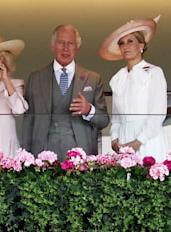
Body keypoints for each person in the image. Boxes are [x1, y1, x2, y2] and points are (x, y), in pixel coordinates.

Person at [22, 24, 109, 160]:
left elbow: (104, 120)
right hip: (43, 152)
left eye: (71, 43)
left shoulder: (92, 78)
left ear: (77, 48)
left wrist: (89, 110)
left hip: (81, 152)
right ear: (52, 46)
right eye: (61, 43)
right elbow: (28, 121)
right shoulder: (36, 78)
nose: (66, 48)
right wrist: (25, 156)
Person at [99, 16, 171, 162]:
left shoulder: (154, 72)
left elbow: (157, 113)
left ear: (141, 45)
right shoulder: (119, 78)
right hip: (124, 140)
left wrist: (138, 142)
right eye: (122, 43)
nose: (126, 46)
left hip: (148, 139)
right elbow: (117, 117)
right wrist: (115, 139)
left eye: (130, 41)